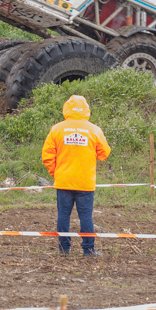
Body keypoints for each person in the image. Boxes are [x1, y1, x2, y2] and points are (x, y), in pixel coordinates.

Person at [42, 94, 111, 256]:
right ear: (86, 109)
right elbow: (104, 153)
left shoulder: (57, 129)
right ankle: (88, 249)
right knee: (86, 217)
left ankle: (63, 249)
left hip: (64, 181)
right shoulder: (94, 129)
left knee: (63, 216)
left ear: (67, 108)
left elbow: (47, 157)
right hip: (85, 182)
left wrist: (56, 173)